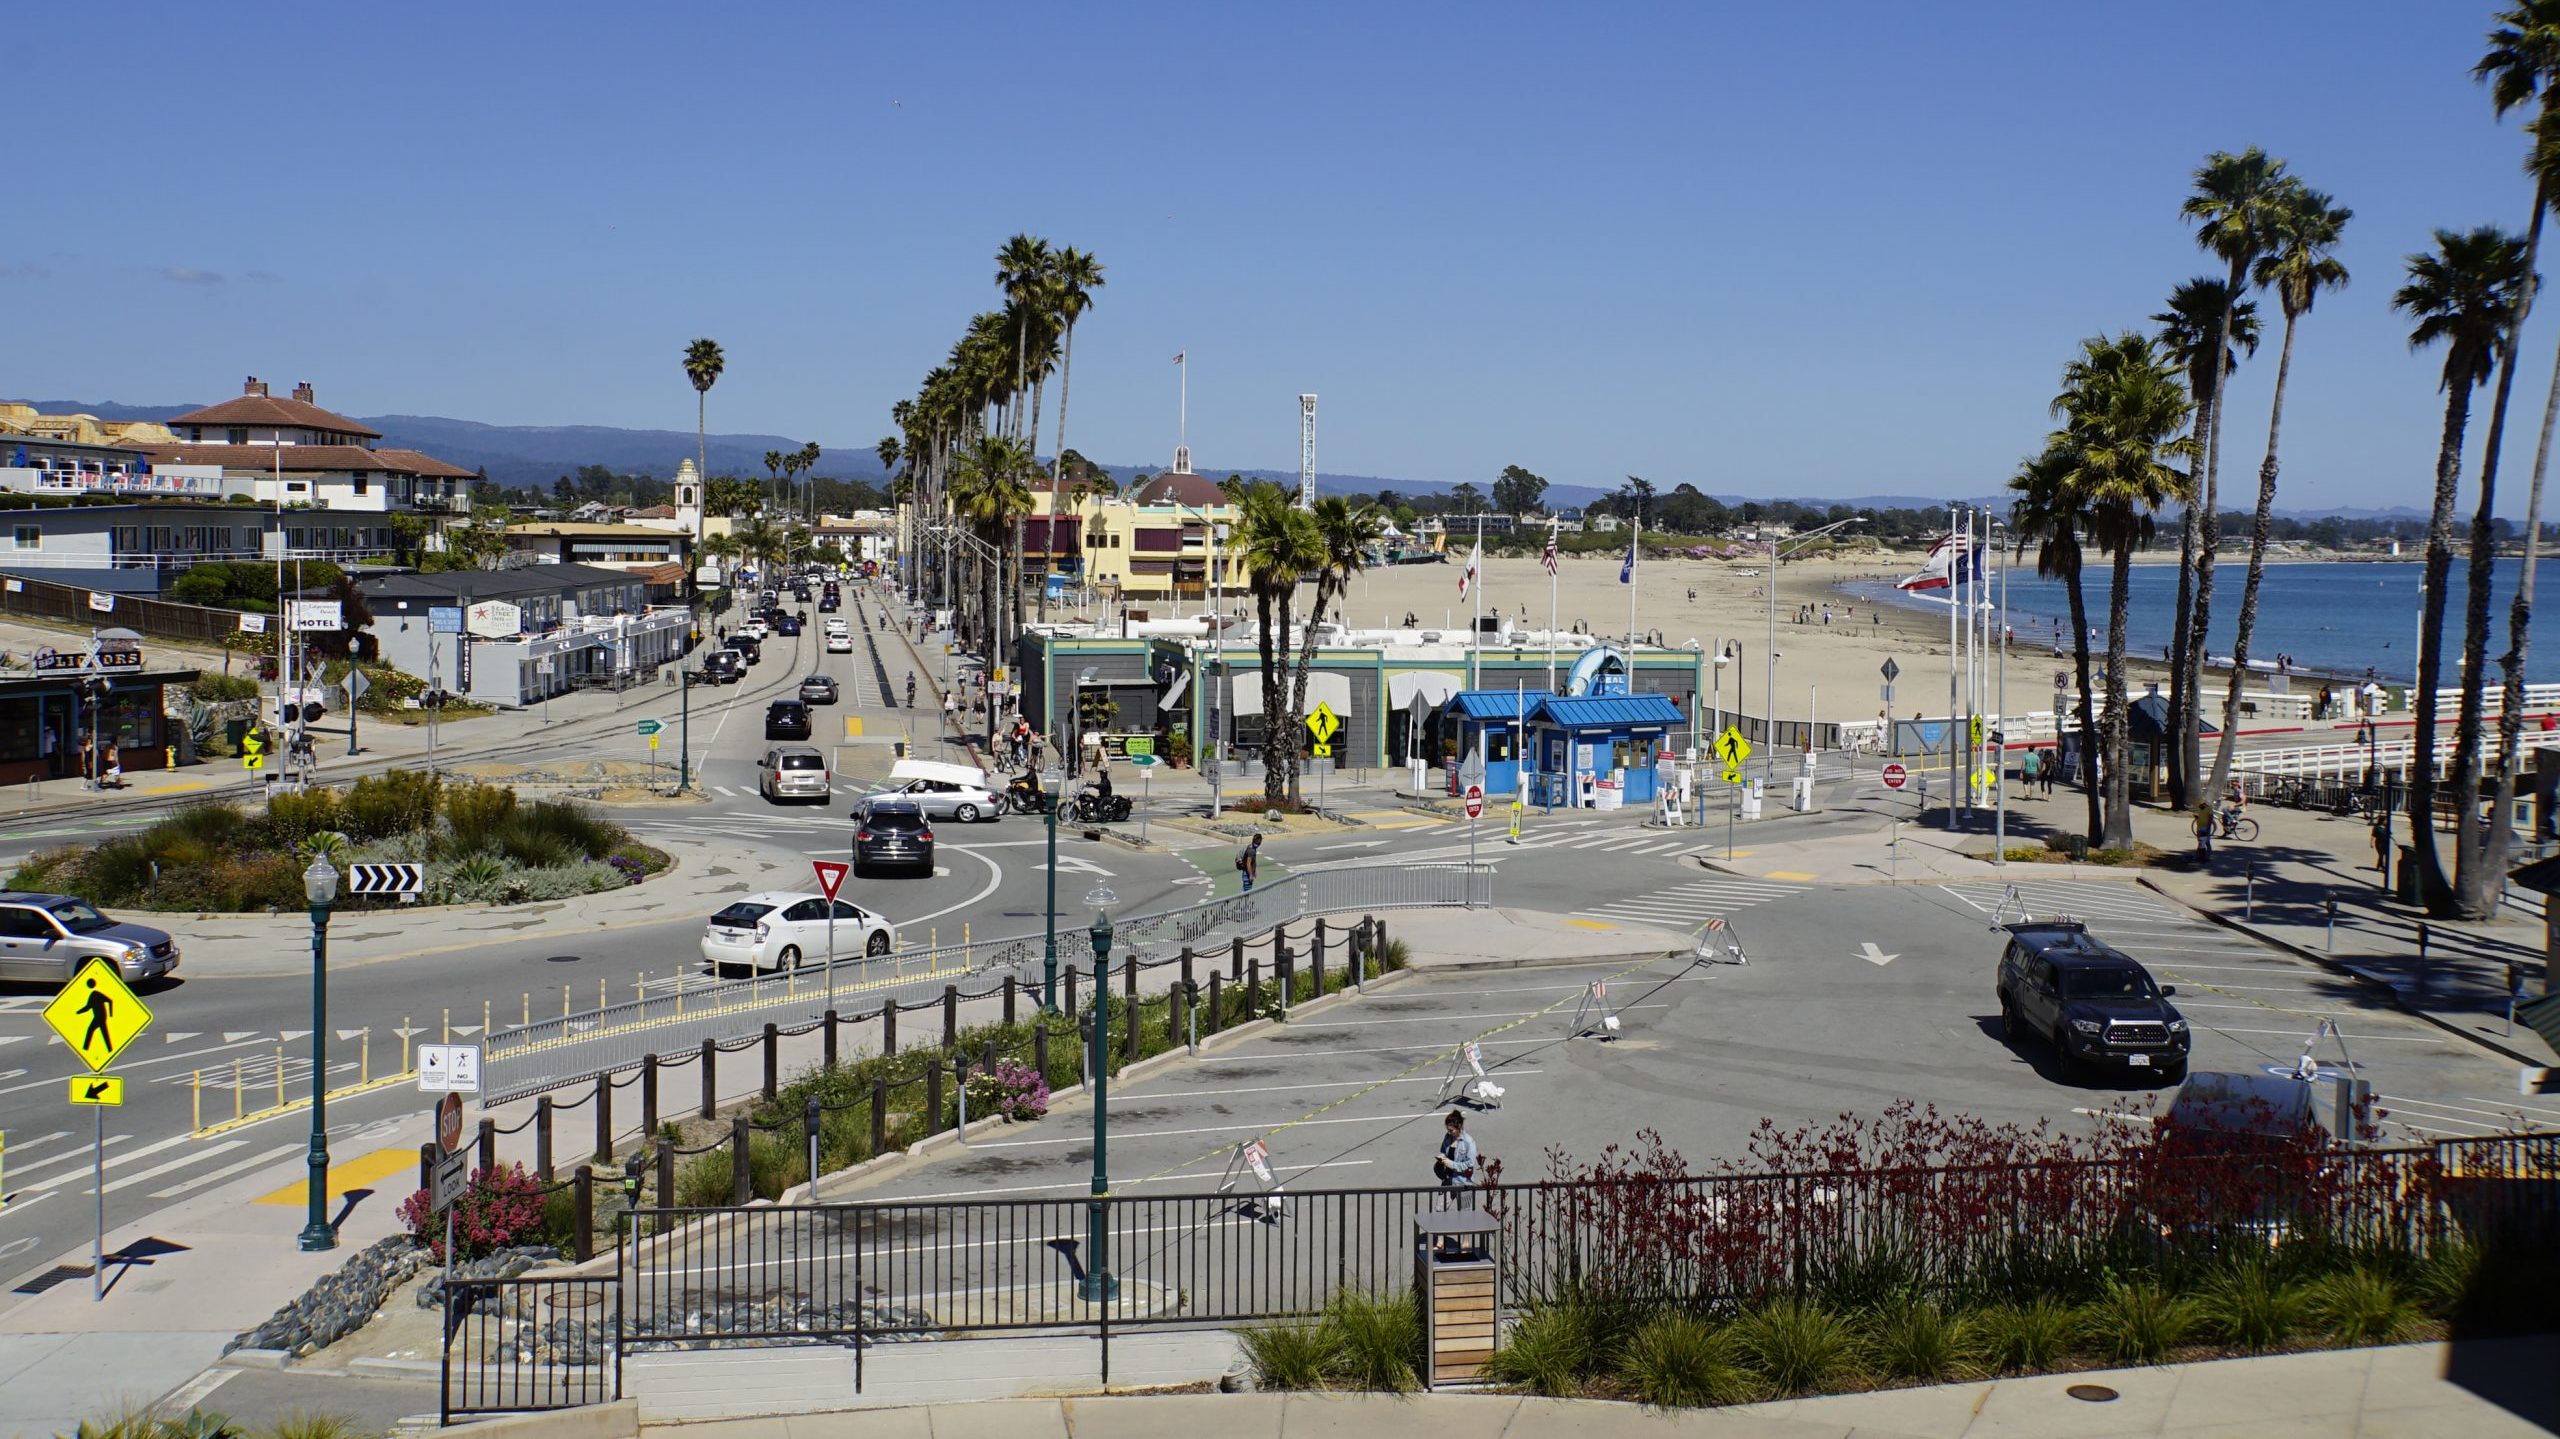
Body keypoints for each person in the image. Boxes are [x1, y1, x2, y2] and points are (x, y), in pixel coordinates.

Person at [1434, 1111, 1479, 1189]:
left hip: (1463, 1183)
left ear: (1459, 1126)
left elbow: (1470, 1165)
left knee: (1463, 1201)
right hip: (1447, 1180)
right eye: (1447, 1130)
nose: (1449, 1132)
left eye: (1451, 1130)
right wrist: (1442, 1157)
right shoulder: (1448, 1137)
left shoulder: (1468, 1142)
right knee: (1441, 1202)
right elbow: (1443, 1151)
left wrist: (1451, 1164)